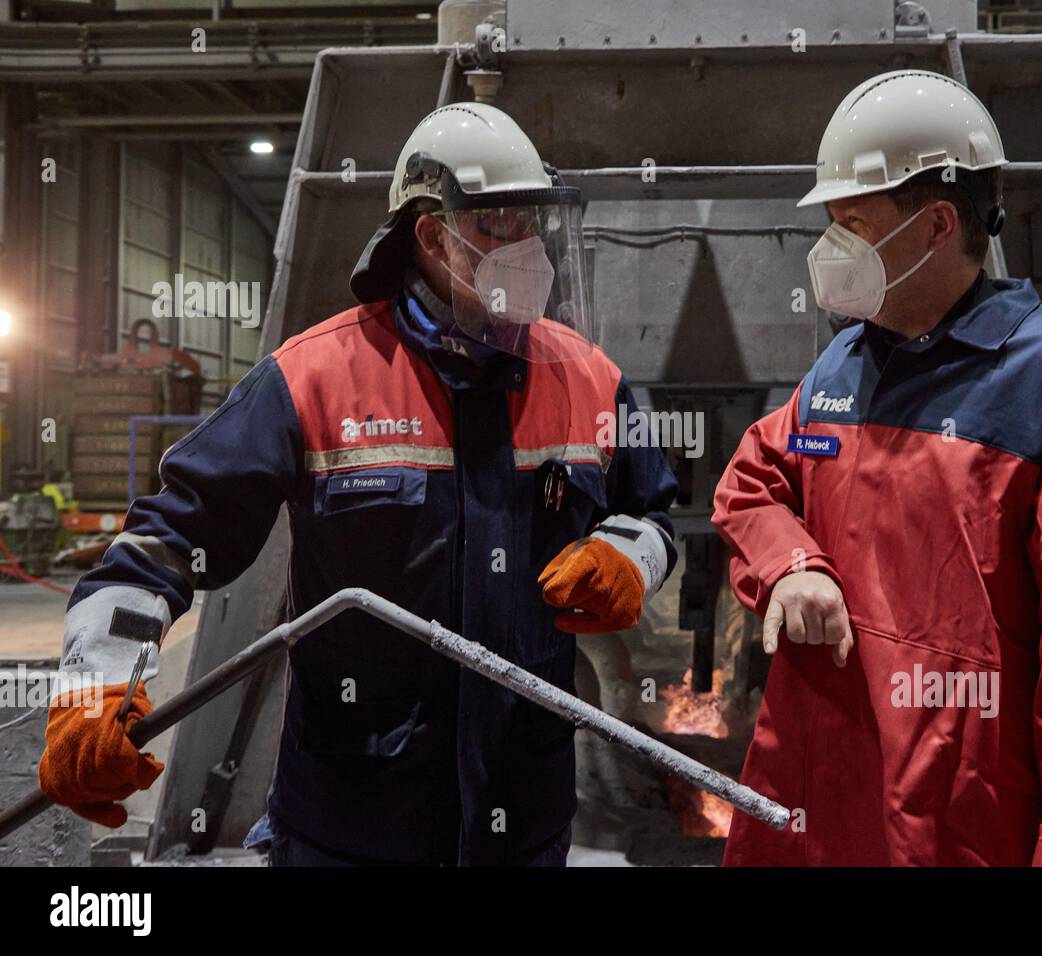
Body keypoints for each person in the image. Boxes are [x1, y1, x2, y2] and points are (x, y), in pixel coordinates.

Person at [38, 102, 677, 866]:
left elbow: (654, 517)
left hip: (524, 816)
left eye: (534, 224)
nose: (527, 249)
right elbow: (159, 549)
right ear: (433, 235)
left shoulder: (588, 377)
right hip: (349, 824)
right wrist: (95, 689)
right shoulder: (312, 378)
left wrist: (625, 559)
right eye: (500, 225)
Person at [712, 70, 1042, 866]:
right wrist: (791, 566)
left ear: (936, 225)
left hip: (960, 829)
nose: (829, 249)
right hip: (819, 815)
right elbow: (754, 481)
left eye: (852, 221)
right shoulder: (843, 369)